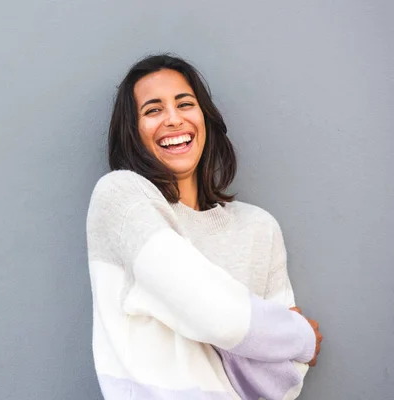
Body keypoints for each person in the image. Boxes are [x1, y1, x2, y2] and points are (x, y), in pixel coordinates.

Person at [86, 54, 323, 400]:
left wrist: (248, 334)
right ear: (132, 132)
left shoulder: (258, 228)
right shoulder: (120, 199)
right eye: (153, 110)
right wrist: (295, 335)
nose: (173, 119)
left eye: (185, 104)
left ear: (205, 118)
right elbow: (217, 314)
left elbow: (285, 379)